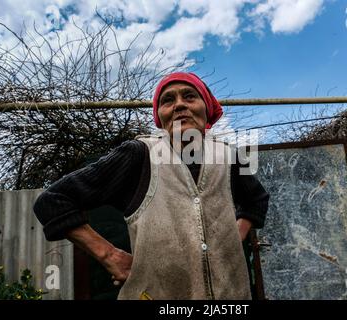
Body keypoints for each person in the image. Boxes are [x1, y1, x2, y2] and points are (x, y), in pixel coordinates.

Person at [33, 72, 269, 300]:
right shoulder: (138, 156)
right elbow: (53, 200)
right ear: (160, 116)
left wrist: (233, 237)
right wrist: (110, 256)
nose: (179, 105)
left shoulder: (229, 156)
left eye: (189, 96)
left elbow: (256, 199)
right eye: (168, 100)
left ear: (206, 109)